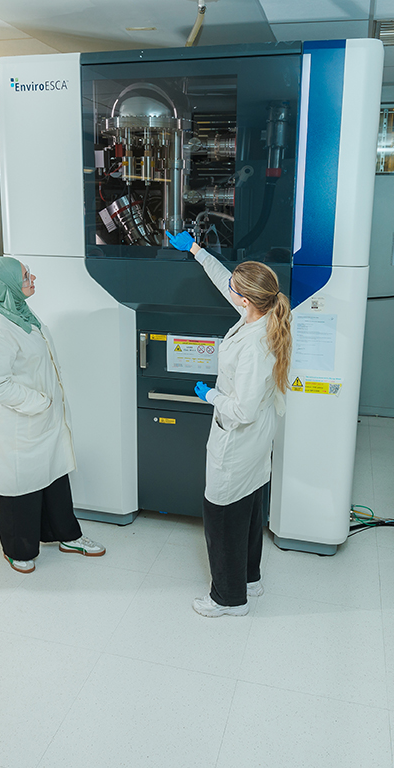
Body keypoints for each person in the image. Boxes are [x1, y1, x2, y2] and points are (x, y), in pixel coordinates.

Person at [166, 230, 292, 617]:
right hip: (256, 442)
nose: (230, 290)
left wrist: (210, 396)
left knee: (221, 516)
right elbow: (227, 282)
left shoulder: (256, 345)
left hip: (239, 439)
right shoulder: (263, 315)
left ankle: (228, 598)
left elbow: (243, 411)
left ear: (246, 299)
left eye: (236, 289)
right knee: (248, 509)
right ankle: (249, 579)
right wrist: (197, 250)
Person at [0, 256, 105, 573]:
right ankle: (18, 549)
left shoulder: (19, 311)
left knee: (54, 477)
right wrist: (40, 403)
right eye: (25, 276)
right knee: (19, 487)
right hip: (20, 421)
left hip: (44, 418)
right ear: (5, 286)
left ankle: (67, 535)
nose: (33, 279)